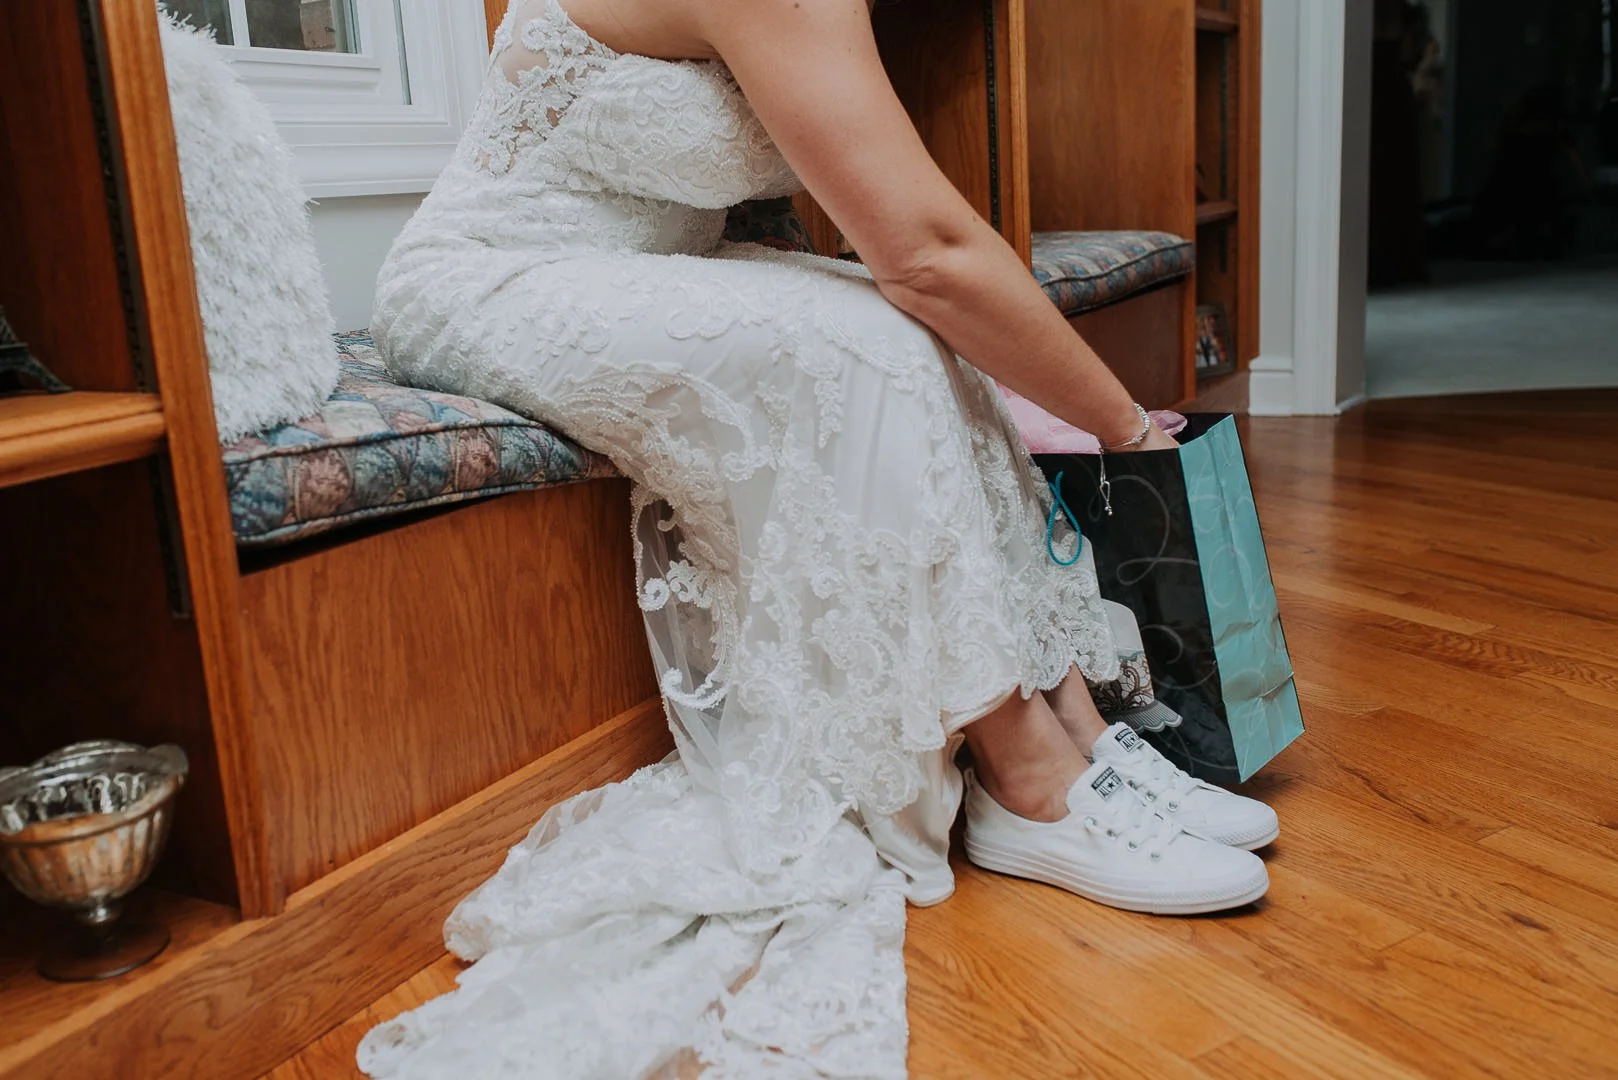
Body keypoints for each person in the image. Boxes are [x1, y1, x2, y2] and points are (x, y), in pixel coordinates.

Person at [359, 1, 1279, 1075]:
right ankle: (1028, 778)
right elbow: (928, 253)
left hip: (639, 269)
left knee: (924, 334)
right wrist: (1124, 429)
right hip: (493, 279)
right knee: (874, 341)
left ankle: (1076, 724)